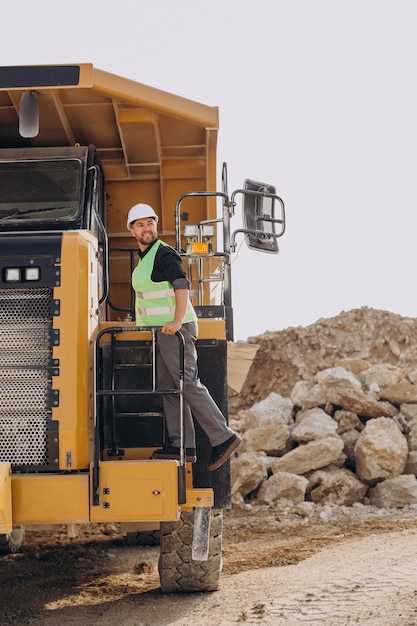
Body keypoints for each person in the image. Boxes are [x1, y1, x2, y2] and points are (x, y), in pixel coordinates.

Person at [127, 202, 241, 471]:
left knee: (187, 383)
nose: (146, 228)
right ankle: (182, 445)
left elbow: (181, 285)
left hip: (175, 331)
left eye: (150, 223)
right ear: (131, 230)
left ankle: (224, 438)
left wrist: (176, 321)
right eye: (140, 224)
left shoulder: (163, 254)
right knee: (169, 387)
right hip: (160, 331)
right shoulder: (146, 258)